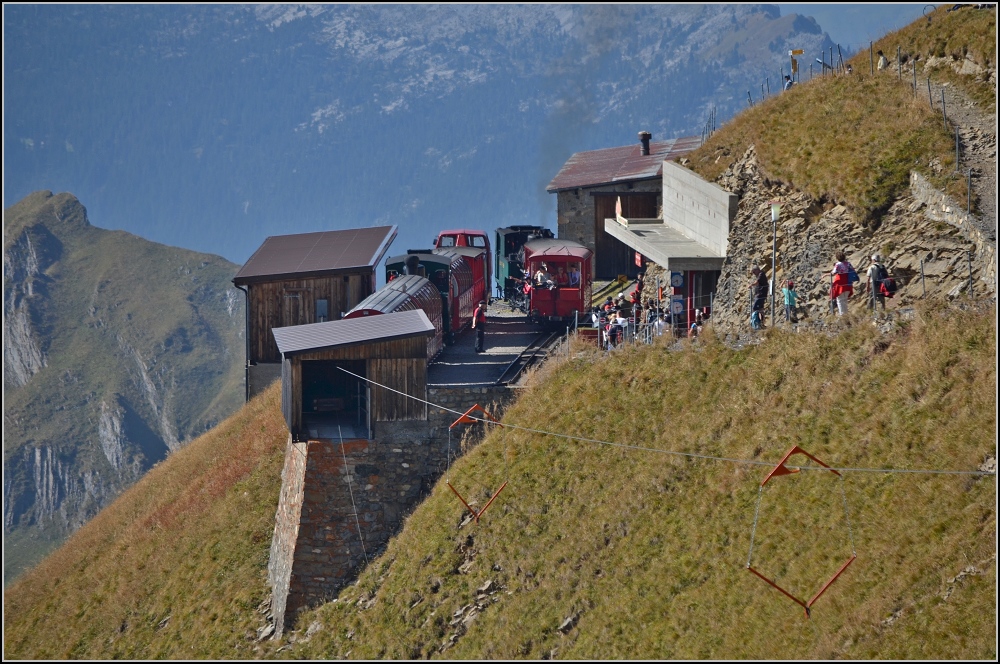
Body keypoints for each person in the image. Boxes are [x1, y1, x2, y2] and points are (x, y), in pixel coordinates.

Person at [830, 250, 854, 316]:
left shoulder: (838, 264)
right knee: (845, 300)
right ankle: (846, 315)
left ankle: (842, 315)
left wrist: (827, 274)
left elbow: (833, 273)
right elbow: (853, 270)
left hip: (840, 283)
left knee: (840, 300)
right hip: (848, 282)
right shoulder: (848, 264)